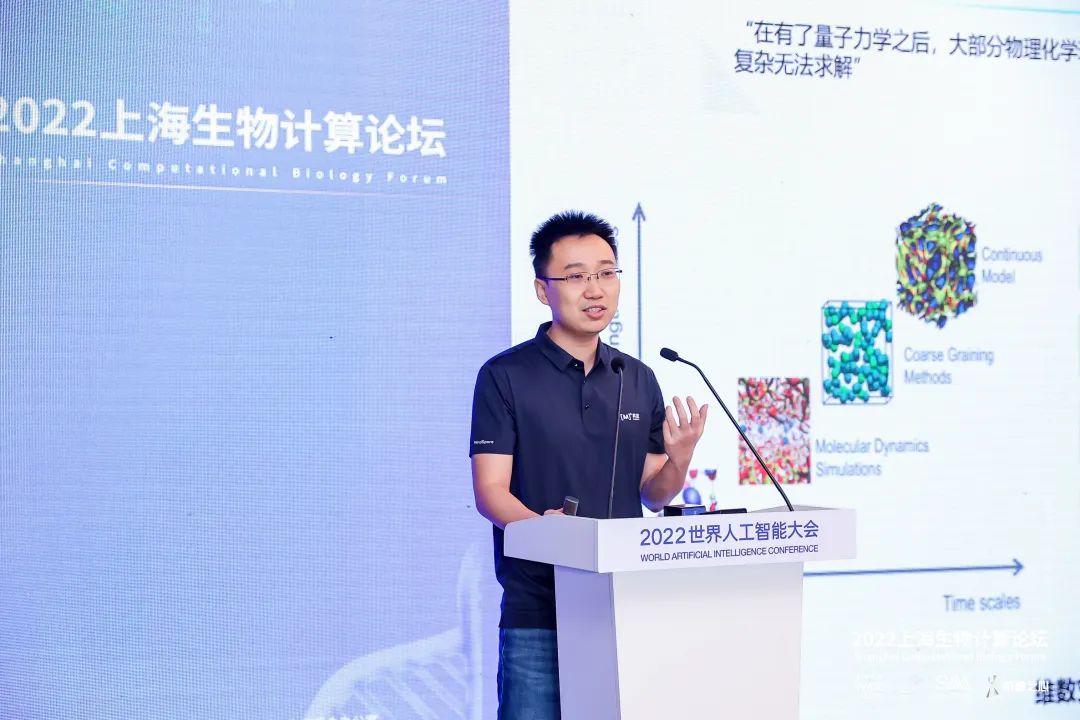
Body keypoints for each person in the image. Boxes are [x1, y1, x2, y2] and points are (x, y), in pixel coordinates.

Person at [469, 210, 708, 719]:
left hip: (622, 604)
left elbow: (654, 493)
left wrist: (680, 458)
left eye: (606, 273)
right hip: (539, 612)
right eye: (576, 276)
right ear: (543, 290)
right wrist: (546, 533)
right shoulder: (505, 376)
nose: (595, 289)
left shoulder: (637, 378)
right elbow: (490, 491)